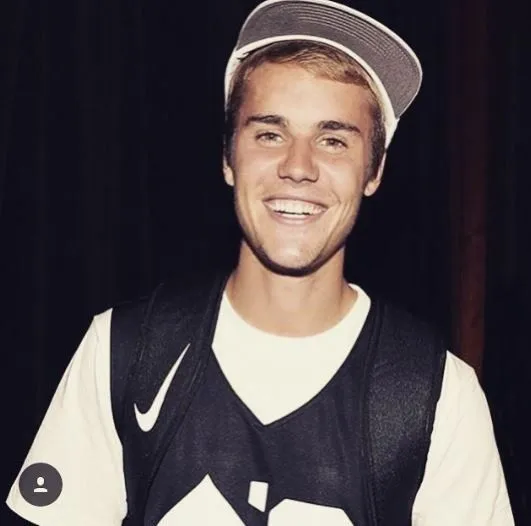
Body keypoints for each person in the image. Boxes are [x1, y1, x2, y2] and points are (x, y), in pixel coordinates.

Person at [6, 0, 514, 524]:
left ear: (374, 170)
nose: (298, 166)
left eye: (333, 140)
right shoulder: (124, 352)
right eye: (270, 133)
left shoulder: (437, 395)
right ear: (229, 155)